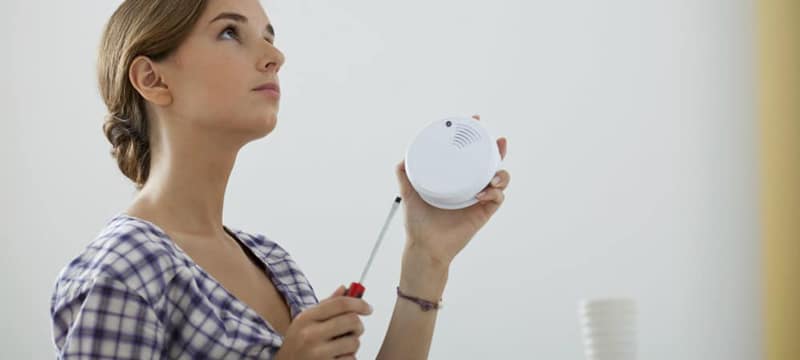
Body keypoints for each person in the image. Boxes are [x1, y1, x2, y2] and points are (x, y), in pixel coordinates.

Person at [49, 0, 511, 358]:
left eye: (270, 36)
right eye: (230, 32)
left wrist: (426, 259)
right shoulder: (125, 269)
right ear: (152, 78)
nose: (275, 55)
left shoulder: (274, 264)